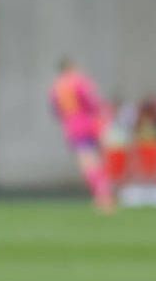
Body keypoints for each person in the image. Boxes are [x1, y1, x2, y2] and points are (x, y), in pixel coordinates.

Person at [48, 58, 114, 211]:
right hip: (90, 123)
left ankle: (102, 196)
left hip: (73, 126)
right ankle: (103, 195)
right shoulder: (80, 82)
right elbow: (92, 102)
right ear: (72, 67)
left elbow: (55, 110)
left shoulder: (56, 87)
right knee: (95, 161)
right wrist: (105, 117)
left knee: (87, 162)